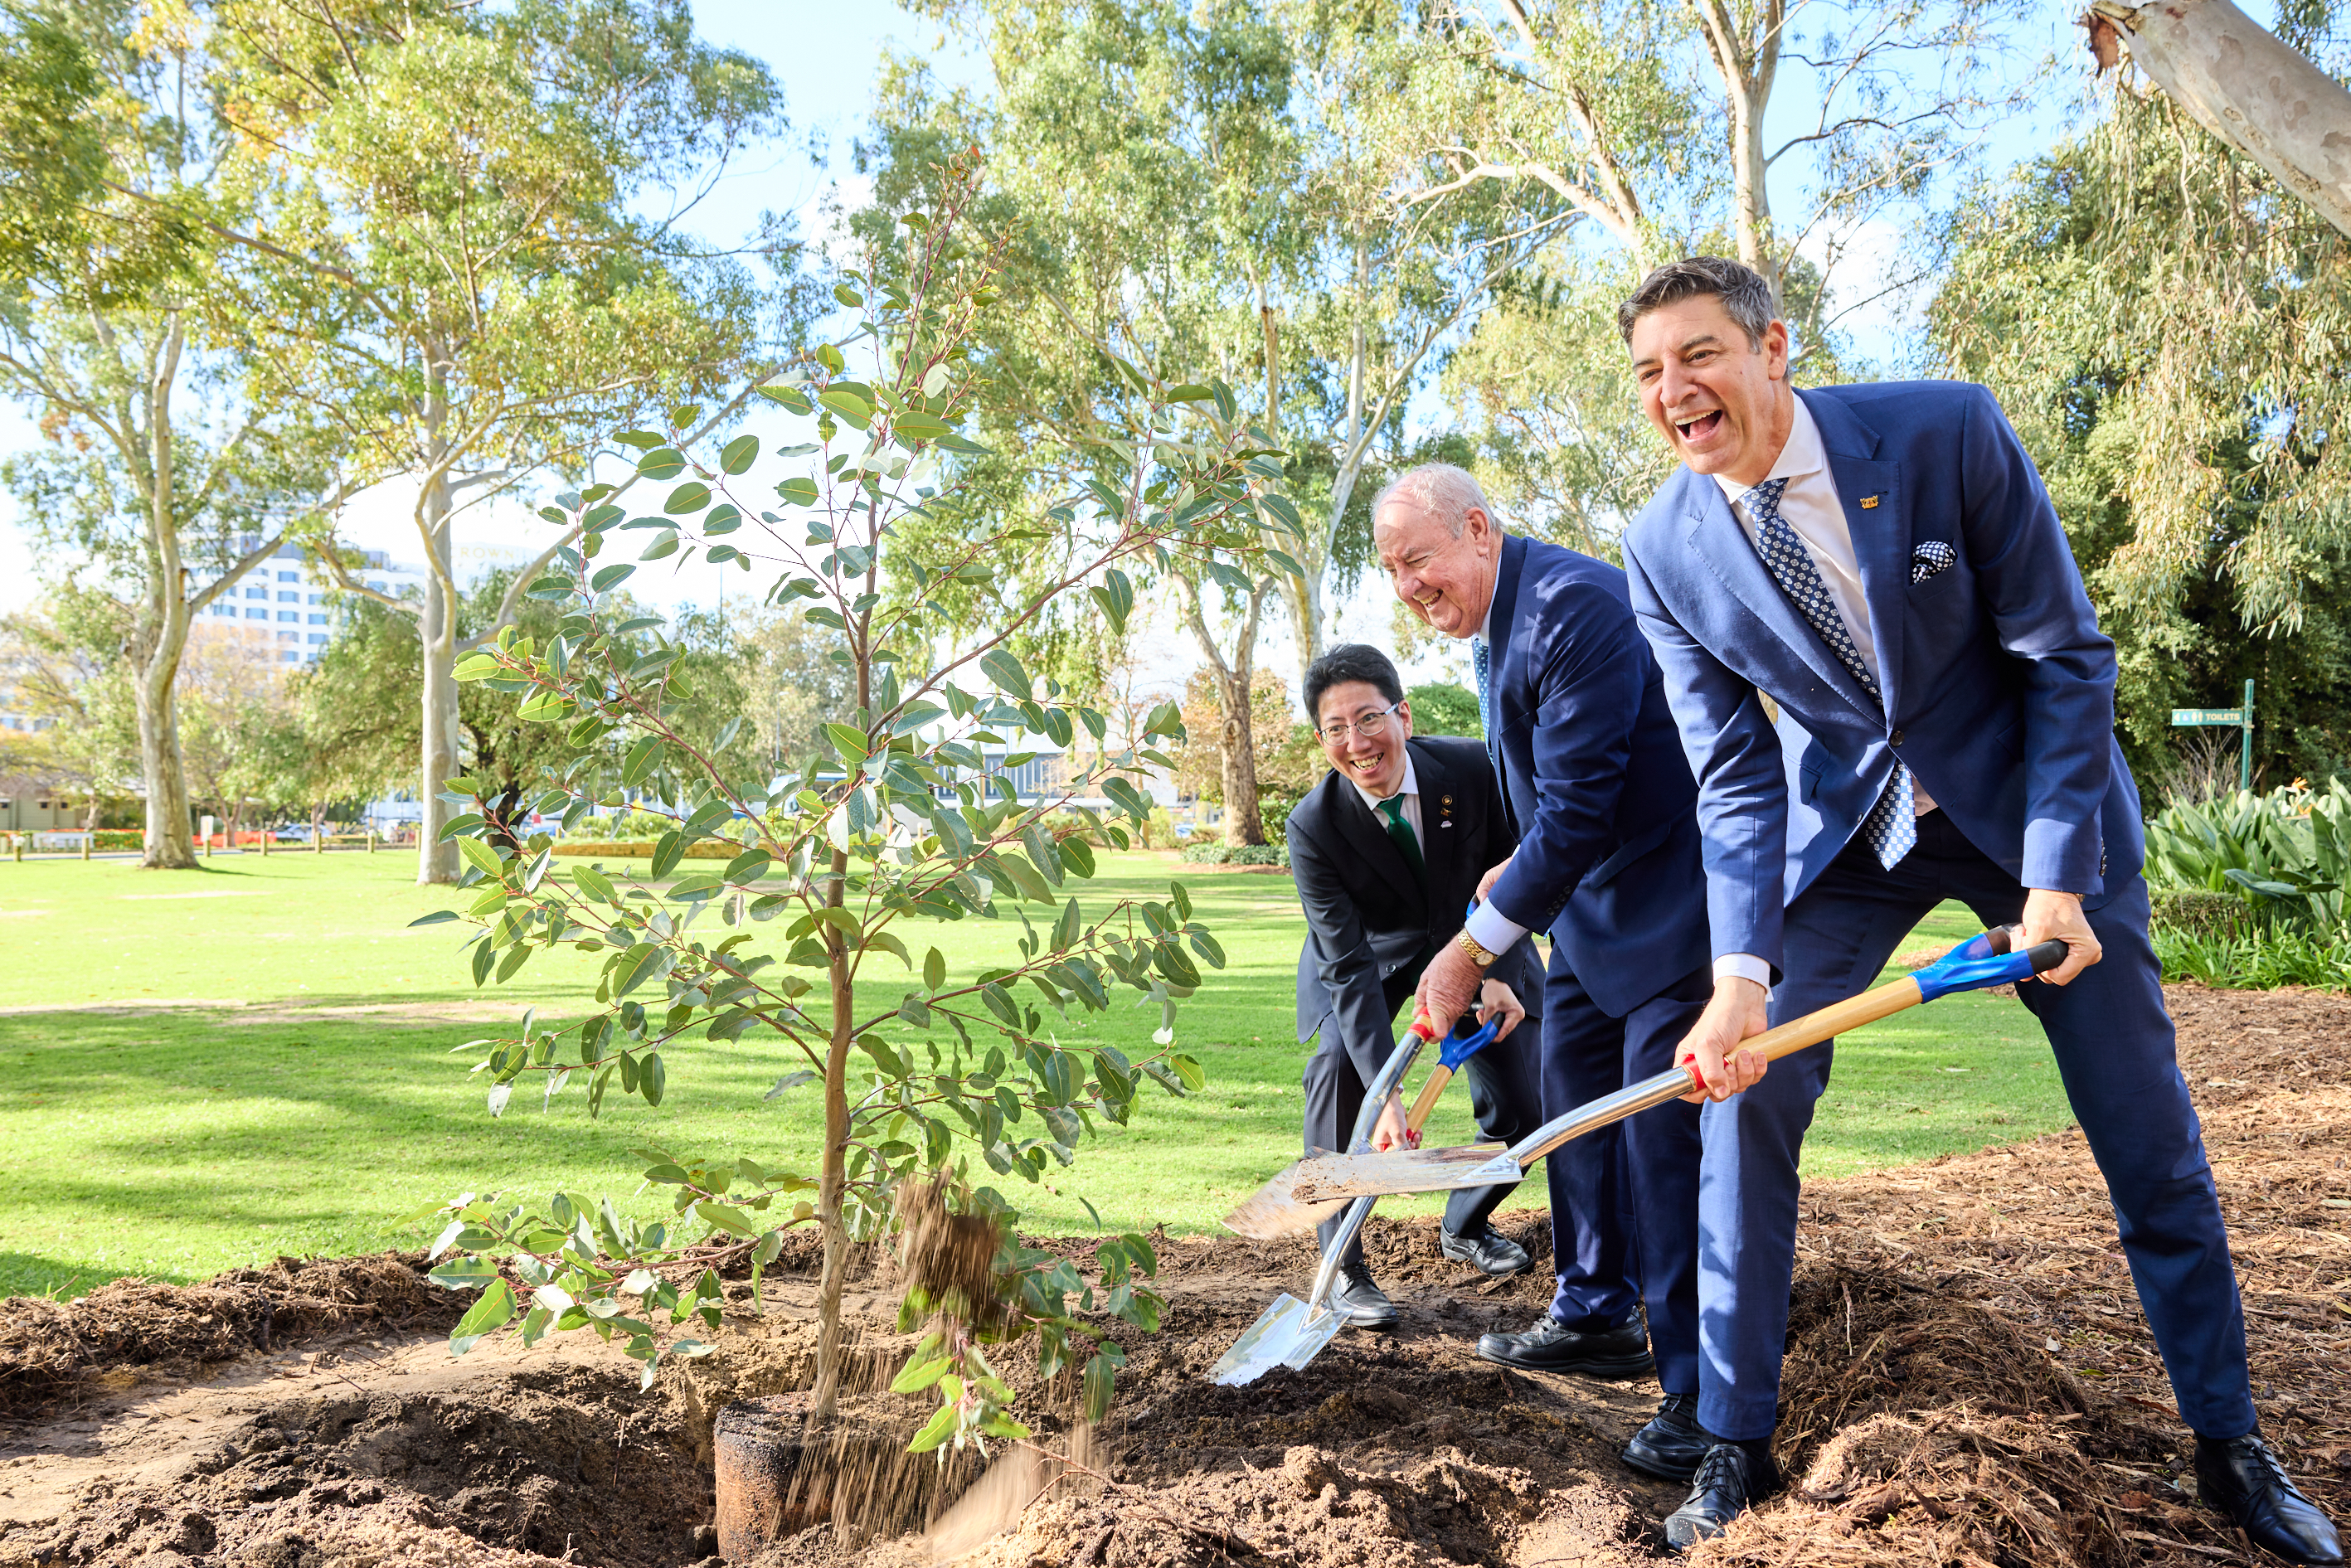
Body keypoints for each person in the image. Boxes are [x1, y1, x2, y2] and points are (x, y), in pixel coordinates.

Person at [1615, 255, 2343, 1564]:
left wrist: (2055, 880)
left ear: (1773, 346)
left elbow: (2062, 656)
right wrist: (1739, 973)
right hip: (1848, 837)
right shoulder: (1663, 546)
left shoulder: (1944, 429)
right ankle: (1731, 1433)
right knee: (1744, 1089)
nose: (1674, 390)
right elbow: (1731, 772)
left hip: (2030, 820)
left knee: (2144, 1132)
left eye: (1698, 354)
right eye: (1650, 371)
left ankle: (2228, 1442)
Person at [1374, 465, 1719, 1487]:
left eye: (1419, 559)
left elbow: (1579, 810)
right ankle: (1595, 1311)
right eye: (1392, 570)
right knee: (1568, 1112)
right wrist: (1508, 884)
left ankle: (1699, 1399)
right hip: (1591, 918)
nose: (1407, 585)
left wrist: (1472, 944)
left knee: (1660, 1144)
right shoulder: (1499, 622)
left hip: (1677, 910)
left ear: (1477, 530)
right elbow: (1549, 807)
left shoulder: (1575, 608)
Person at [1288, 644, 1539, 1330]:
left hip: (1476, 946)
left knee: (1525, 1103)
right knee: (1340, 1079)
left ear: (1402, 713)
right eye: (1335, 729)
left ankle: (1464, 1222)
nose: (1356, 742)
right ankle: (1343, 1263)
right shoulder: (1312, 825)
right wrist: (1385, 1091)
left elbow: (1520, 872)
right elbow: (1343, 964)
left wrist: (1496, 971)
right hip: (1367, 964)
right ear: (1322, 739)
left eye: (1368, 718)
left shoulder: (1469, 766)